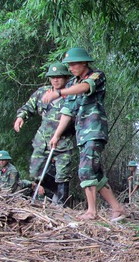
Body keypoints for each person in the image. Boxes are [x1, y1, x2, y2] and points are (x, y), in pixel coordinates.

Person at [44, 47, 126, 221]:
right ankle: (117, 209)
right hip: (82, 134)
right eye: (69, 65)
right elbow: (68, 111)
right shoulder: (73, 83)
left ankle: (91, 211)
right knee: (95, 173)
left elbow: (85, 87)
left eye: (74, 64)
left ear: (84, 63)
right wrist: (56, 135)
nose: (71, 68)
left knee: (85, 170)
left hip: (95, 130)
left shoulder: (96, 75)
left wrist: (59, 92)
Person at [15, 62, 75, 205]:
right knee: (35, 173)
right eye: (53, 77)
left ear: (66, 77)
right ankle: (56, 190)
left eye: (59, 77)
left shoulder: (71, 94)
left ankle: (62, 203)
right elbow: (29, 106)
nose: (56, 80)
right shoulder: (42, 92)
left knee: (63, 176)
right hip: (42, 141)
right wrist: (20, 117)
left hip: (63, 142)